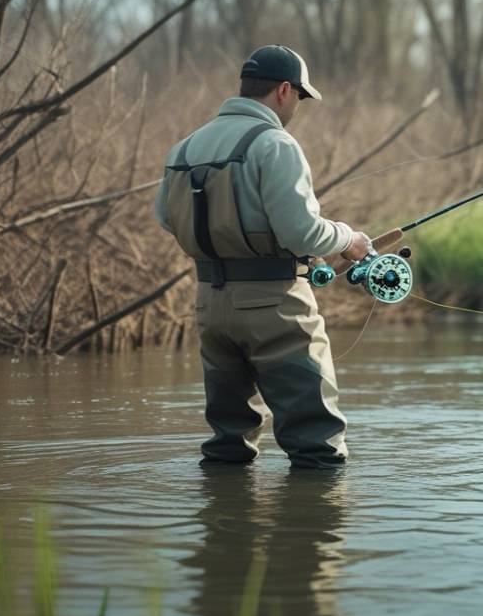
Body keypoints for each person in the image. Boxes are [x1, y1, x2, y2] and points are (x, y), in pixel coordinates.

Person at [154, 44, 371, 468]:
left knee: (228, 441)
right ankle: (311, 527)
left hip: (210, 306)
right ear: (284, 90)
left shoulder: (183, 149)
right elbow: (302, 232)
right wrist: (348, 240)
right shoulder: (275, 144)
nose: (297, 108)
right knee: (317, 446)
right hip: (275, 306)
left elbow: (166, 217)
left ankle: (225, 525)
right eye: (300, 98)